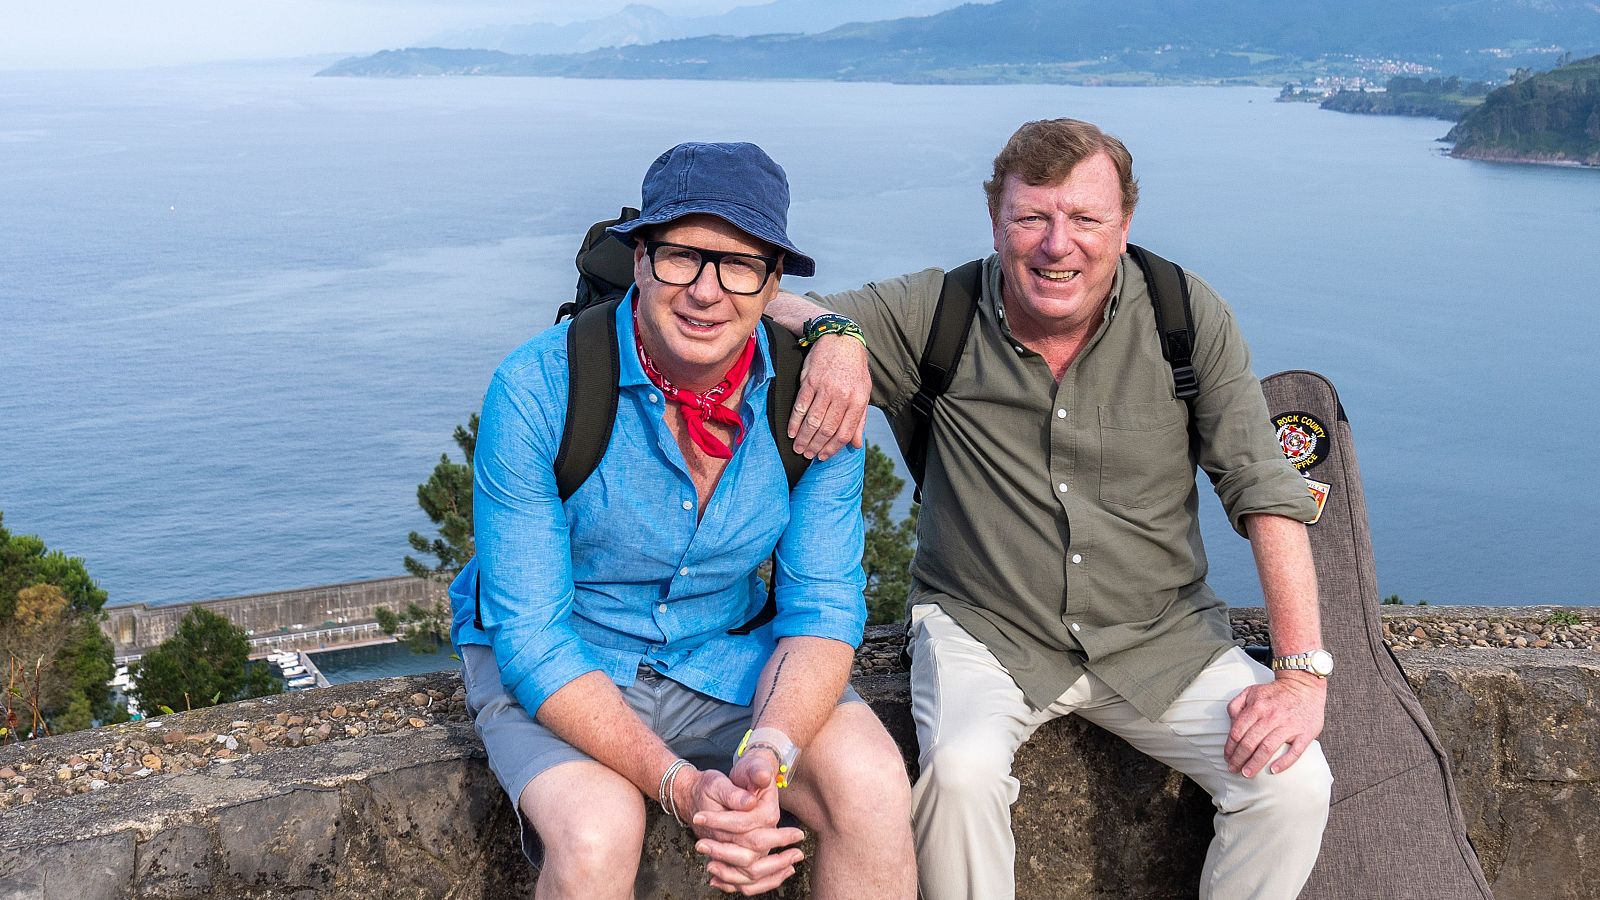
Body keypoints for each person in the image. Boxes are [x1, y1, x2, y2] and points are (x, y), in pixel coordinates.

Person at [766, 118, 1334, 900]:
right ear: (995, 221)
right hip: (986, 627)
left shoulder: (1183, 314)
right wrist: (834, 333)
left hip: (1159, 631)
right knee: (958, 776)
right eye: (1031, 217)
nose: (1056, 244)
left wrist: (1300, 675)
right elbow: (768, 304)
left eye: (1085, 218)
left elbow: (1261, 487)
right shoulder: (939, 311)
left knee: (1293, 783)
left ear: (1124, 225)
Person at [448, 141, 916, 899]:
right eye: (681, 257)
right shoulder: (539, 388)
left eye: (739, 266)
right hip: (570, 654)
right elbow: (531, 635)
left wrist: (768, 754)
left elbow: (823, 610)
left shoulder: (816, 398)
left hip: (722, 648)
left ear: (773, 283)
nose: (706, 291)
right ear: (640, 259)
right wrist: (679, 785)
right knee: (597, 833)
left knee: (871, 785)